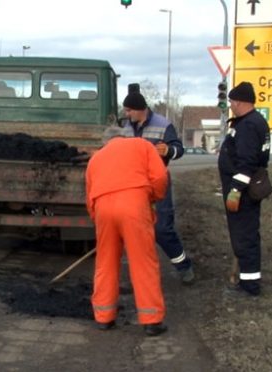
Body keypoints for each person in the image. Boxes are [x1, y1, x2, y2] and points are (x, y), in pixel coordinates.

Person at [85, 126, 169, 337]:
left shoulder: (96, 158)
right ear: (125, 137)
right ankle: (151, 320)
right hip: (133, 205)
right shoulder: (141, 145)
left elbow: (89, 197)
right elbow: (159, 176)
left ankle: (104, 317)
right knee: (143, 262)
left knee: (105, 262)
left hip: (103, 208)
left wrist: (99, 220)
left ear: (107, 141)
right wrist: (153, 197)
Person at [120, 86, 195, 284]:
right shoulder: (126, 128)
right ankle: (143, 274)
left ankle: (184, 266)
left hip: (157, 182)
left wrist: (168, 150)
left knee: (162, 229)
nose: (126, 114)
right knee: (136, 228)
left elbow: (179, 150)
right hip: (133, 185)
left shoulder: (163, 125)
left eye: (129, 110)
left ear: (139, 109)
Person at [218, 81, 271, 296]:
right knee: (245, 235)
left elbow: (247, 162)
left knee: (244, 236)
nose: (230, 105)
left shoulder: (248, 125)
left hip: (244, 193)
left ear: (240, 102)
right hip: (245, 189)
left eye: (231, 101)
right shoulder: (252, 121)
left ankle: (249, 286)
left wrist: (236, 190)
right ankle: (248, 280)